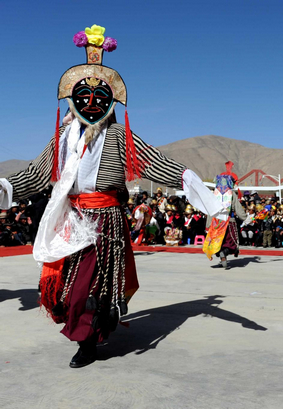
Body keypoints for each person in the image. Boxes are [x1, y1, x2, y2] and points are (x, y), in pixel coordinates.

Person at [0, 25, 224, 368]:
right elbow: (34, 174)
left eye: (99, 98)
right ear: (72, 101)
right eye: (83, 98)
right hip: (71, 220)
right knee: (62, 287)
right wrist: (3, 187)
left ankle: (87, 341)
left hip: (105, 222)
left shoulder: (119, 137)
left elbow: (156, 163)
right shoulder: (62, 137)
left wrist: (192, 183)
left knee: (89, 290)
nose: (91, 104)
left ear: (110, 103)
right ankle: (90, 328)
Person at [203, 162, 247, 269]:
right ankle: (225, 253)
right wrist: (246, 218)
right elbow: (238, 209)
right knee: (230, 243)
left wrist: (208, 225)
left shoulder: (214, 195)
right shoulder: (232, 195)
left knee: (218, 242)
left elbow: (210, 211)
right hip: (229, 221)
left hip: (216, 223)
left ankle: (222, 256)